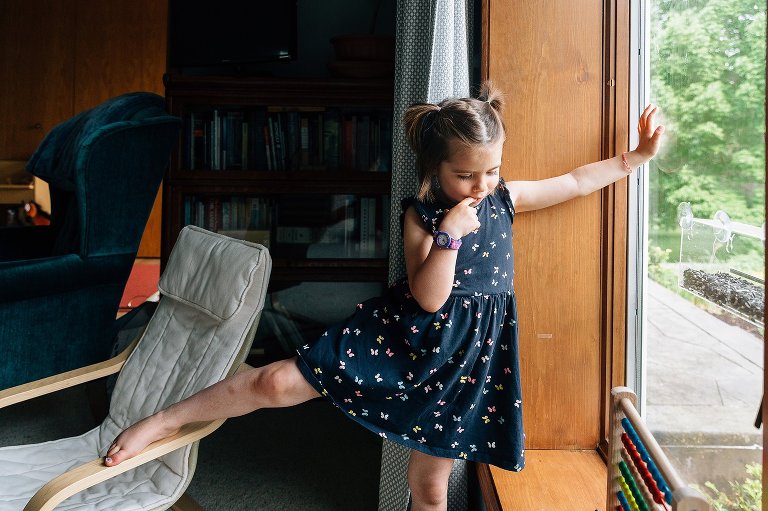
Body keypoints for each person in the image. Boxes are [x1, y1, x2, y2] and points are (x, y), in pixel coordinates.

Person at [104, 82, 664, 511]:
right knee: (274, 382)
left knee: (431, 488)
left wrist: (634, 158)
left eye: (492, 171)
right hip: (402, 336)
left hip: (464, 362)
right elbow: (429, 297)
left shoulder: (504, 200)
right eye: (466, 175)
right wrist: (449, 236)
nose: (481, 186)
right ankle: (164, 421)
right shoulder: (422, 216)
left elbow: (573, 182)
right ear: (435, 169)